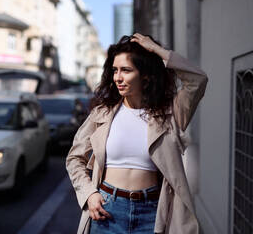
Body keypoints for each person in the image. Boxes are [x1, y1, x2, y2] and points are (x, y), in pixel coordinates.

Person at [66, 33, 208, 234]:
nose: (118, 77)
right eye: (115, 70)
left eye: (126, 70)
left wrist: (157, 51)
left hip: (152, 214)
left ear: (146, 75)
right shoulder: (102, 114)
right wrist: (89, 194)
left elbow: (198, 80)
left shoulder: (170, 113)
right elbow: (74, 158)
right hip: (107, 211)